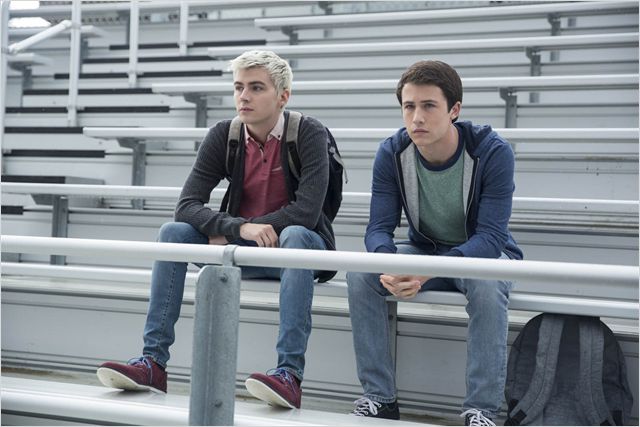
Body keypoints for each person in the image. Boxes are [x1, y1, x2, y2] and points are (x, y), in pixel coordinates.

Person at [96, 50, 336, 411]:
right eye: (239, 87)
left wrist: (240, 231)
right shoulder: (225, 134)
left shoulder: (308, 132)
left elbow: (306, 212)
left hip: (298, 253)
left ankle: (289, 374)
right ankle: (153, 363)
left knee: (296, 235)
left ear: (283, 96)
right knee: (172, 233)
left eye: (256, 88)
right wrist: (240, 228)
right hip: (244, 248)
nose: (244, 96)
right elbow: (186, 205)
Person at [346, 60, 523, 425]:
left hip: (482, 255)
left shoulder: (492, 151)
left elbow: (491, 239)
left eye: (429, 106)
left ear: (454, 110)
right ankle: (379, 397)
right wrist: (390, 266)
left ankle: (481, 410)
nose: (417, 118)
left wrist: (424, 272)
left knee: (487, 285)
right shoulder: (391, 152)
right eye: (409, 106)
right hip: (426, 250)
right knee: (360, 275)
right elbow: (378, 229)